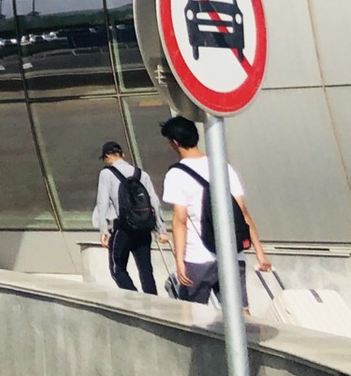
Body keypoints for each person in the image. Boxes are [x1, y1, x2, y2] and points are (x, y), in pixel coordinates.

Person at [159, 115, 271, 304]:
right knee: (241, 314)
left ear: (175, 142)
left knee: (193, 314)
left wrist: (179, 260)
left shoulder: (176, 174)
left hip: (198, 257)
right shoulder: (222, 166)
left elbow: (180, 221)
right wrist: (260, 252)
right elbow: (242, 211)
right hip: (233, 254)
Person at [91, 140, 159, 294]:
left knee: (117, 268)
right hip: (143, 228)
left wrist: (103, 230)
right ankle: (153, 303)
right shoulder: (141, 174)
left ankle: (134, 299)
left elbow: (102, 202)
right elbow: (154, 201)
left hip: (122, 227)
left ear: (107, 155)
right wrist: (160, 228)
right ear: (123, 155)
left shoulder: (106, 173)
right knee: (146, 270)